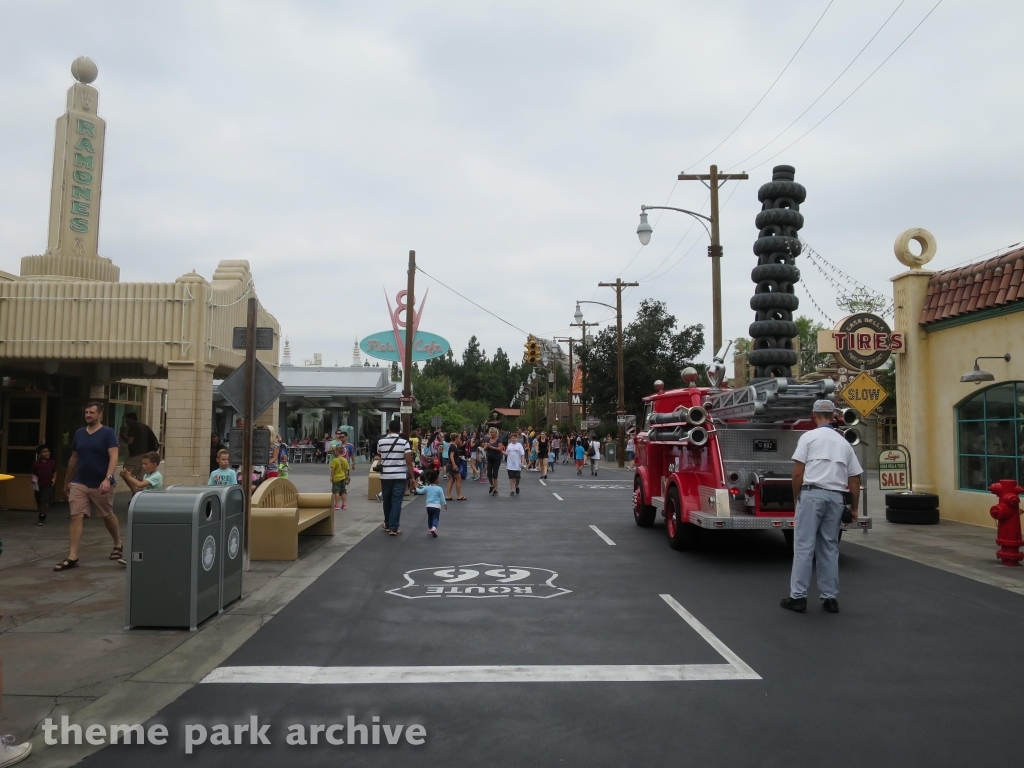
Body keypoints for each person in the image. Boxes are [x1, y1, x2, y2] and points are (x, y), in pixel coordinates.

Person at [781, 400, 863, 614]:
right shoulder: (844, 442)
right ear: (834, 417)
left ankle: (798, 597)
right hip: (836, 498)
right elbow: (855, 479)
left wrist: (797, 498)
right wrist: (854, 508)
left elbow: (797, 473)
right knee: (828, 547)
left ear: (814, 416)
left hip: (812, 495)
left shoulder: (808, 437)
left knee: (804, 546)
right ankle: (830, 598)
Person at [55, 401, 121, 572]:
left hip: (101, 483)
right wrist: (67, 480)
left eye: (92, 412)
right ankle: (72, 557)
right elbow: (74, 458)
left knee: (107, 515)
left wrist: (108, 479)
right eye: (86, 412)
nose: (88, 415)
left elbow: (114, 457)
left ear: (100, 414)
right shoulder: (79, 433)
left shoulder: (108, 433)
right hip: (80, 481)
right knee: (76, 516)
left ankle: (117, 543)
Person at [377, 420, 414, 535]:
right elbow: (408, 461)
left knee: (387, 501)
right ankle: (394, 528)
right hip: (399, 475)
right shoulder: (404, 443)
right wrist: (412, 477)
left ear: (389, 429)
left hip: (385, 476)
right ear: (400, 429)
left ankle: (388, 524)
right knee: (396, 501)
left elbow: (379, 455)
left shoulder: (381, 442)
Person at [120, 412, 159, 480]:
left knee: (124, 473)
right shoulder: (145, 426)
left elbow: (130, 441)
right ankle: (140, 490)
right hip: (145, 455)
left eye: (126, 419)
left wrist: (123, 436)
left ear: (130, 419)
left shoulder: (133, 426)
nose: (126, 422)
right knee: (140, 476)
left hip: (136, 454)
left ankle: (135, 490)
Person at [414, 469, 446, 537]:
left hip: (428, 506)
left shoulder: (427, 487)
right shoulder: (439, 489)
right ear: (436, 480)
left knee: (430, 517)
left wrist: (415, 487)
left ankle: (429, 529)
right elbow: (442, 498)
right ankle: (434, 528)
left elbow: (420, 492)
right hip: (436, 506)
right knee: (435, 518)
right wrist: (444, 504)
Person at [31, 445, 56, 526]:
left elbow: (54, 471)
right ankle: (41, 514)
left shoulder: (52, 462)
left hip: (48, 484)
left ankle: (43, 515)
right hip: (38, 485)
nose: (47, 453)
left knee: (44, 501)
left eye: (48, 451)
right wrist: (32, 479)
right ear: (39, 454)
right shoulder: (36, 463)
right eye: (44, 452)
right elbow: (33, 473)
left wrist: (54, 479)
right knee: (39, 502)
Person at [445, 433, 467, 501]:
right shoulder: (453, 446)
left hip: (449, 464)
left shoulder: (452, 446)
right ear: (456, 439)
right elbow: (451, 456)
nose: (459, 440)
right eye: (459, 438)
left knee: (452, 479)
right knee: (459, 479)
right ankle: (459, 495)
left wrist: (459, 457)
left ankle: (448, 495)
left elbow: (453, 455)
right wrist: (454, 465)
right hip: (452, 465)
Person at [484, 427, 505, 496]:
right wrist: (487, 446)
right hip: (489, 458)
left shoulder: (498, 440)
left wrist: (492, 447)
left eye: (493, 432)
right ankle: (492, 485)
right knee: (489, 474)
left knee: (495, 474)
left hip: (497, 458)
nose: (492, 434)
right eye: (491, 432)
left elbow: (500, 449)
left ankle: (496, 490)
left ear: (496, 433)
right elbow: (484, 448)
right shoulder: (487, 439)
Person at [329, 444, 350, 511]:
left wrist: (331, 477)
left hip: (337, 478)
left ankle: (337, 504)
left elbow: (332, 470)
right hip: (343, 478)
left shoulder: (335, 460)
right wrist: (346, 477)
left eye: (335, 451)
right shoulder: (345, 460)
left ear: (337, 452)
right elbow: (347, 470)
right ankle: (344, 504)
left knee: (337, 492)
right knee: (343, 491)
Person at [504, 432, 526, 496]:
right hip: (510, 465)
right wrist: (501, 451)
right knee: (511, 478)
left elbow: (522, 454)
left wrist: (522, 462)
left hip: (517, 465)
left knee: (517, 478)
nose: (513, 439)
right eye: (512, 438)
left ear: (517, 439)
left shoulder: (519, 445)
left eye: (515, 438)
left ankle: (516, 486)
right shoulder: (509, 445)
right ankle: (512, 490)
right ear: (511, 439)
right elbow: (507, 454)